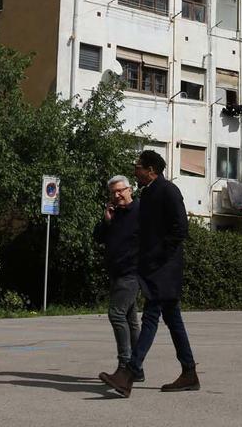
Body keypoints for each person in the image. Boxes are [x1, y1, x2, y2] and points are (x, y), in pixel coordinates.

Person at [100, 150, 198, 397]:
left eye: (138, 166)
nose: (135, 170)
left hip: (164, 269)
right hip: (154, 268)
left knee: (150, 318)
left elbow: (180, 229)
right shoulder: (149, 192)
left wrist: (157, 257)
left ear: (151, 169)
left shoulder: (167, 190)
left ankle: (129, 373)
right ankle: (189, 372)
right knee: (173, 320)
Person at [92, 174, 142, 381]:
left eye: (121, 190)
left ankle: (125, 366)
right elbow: (97, 237)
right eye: (113, 192)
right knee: (130, 320)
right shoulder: (115, 213)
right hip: (116, 273)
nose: (117, 194)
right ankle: (136, 369)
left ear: (130, 189)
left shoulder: (141, 212)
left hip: (132, 273)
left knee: (116, 314)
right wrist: (107, 221)